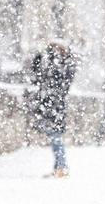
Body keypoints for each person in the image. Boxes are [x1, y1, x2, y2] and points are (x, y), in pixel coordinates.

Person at [30, 42, 78, 178]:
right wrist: (41, 57)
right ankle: (59, 166)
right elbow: (38, 76)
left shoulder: (66, 66)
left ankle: (62, 167)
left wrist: (51, 59)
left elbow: (58, 82)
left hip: (56, 107)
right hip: (50, 105)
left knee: (56, 137)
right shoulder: (58, 64)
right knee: (54, 137)